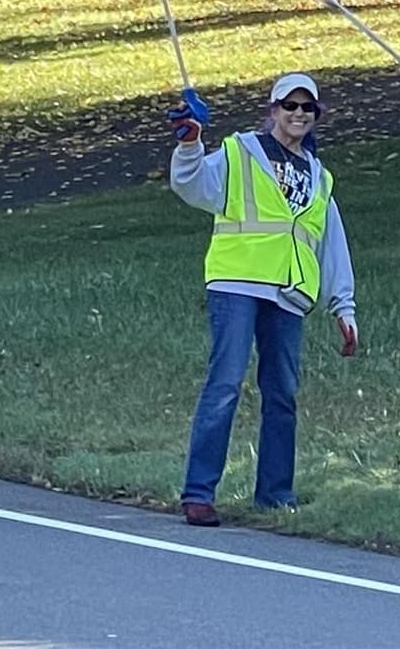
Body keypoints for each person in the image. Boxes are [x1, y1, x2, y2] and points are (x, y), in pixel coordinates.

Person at [168, 72, 358, 527]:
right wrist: (190, 143)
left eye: (306, 108)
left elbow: (331, 242)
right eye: (289, 106)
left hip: (289, 294)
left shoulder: (319, 177)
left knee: (283, 393)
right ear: (272, 110)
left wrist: (343, 306)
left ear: (316, 116)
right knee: (225, 384)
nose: (298, 114)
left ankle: (275, 495)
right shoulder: (239, 153)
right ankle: (198, 493)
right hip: (237, 282)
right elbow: (194, 188)